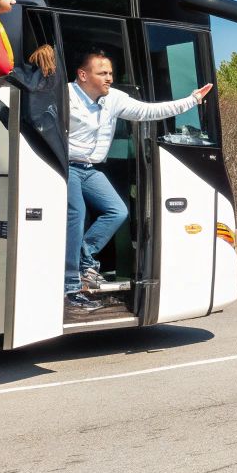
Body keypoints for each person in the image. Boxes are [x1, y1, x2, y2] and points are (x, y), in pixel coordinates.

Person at [64, 49, 212, 320]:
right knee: (77, 215)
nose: (109, 78)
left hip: (89, 168)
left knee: (117, 211)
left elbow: (149, 111)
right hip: (66, 166)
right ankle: (71, 288)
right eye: (103, 73)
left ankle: (85, 261)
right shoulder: (66, 96)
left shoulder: (114, 99)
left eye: (110, 73)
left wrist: (191, 101)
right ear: (83, 75)